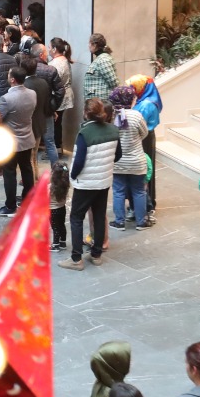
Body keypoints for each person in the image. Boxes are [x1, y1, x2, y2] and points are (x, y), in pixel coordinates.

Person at [63, 98, 118, 271]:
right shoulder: (114, 130)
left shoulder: (84, 133)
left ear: (86, 113)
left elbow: (78, 162)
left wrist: (71, 174)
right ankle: (96, 254)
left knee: (76, 218)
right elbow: (118, 155)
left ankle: (76, 258)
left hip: (86, 183)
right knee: (100, 216)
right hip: (104, 180)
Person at [108, 86, 151, 230]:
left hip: (118, 163)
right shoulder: (136, 115)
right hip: (137, 162)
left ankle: (119, 222)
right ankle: (141, 222)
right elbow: (145, 133)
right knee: (139, 191)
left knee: (118, 191)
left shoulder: (112, 117)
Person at [83, 33, 118, 105]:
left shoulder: (103, 59)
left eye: (89, 43)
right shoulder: (100, 58)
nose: (88, 46)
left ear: (94, 45)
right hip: (96, 103)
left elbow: (113, 82)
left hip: (101, 104)